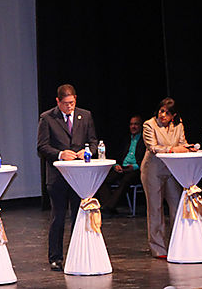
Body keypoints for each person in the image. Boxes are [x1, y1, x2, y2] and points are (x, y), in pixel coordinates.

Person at [37, 84, 97, 271]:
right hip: (58, 177)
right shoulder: (47, 118)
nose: (69, 107)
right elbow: (42, 147)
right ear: (58, 101)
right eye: (65, 104)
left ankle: (78, 253)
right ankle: (55, 257)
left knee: (80, 215)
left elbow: (94, 142)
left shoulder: (85, 115)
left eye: (72, 103)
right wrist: (61, 154)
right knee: (59, 217)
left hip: (80, 176)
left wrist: (86, 152)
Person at [141, 97, 197, 258]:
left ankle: (178, 243)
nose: (163, 115)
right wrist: (174, 150)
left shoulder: (178, 125)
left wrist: (186, 148)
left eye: (167, 113)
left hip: (173, 170)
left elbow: (183, 143)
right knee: (155, 209)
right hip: (153, 170)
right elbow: (153, 147)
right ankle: (158, 248)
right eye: (161, 111)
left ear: (173, 115)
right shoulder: (149, 125)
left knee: (176, 207)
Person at [96, 115, 146, 214]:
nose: (133, 126)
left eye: (136, 124)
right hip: (122, 167)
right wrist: (116, 165)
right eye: (131, 124)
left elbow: (145, 159)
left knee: (125, 180)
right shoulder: (126, 139)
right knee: (102, 179)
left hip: (136, 169)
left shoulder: (145, 141)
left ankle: (108, 207)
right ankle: (110, 207)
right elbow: (117, 155)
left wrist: (135, 166)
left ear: (141, 126)